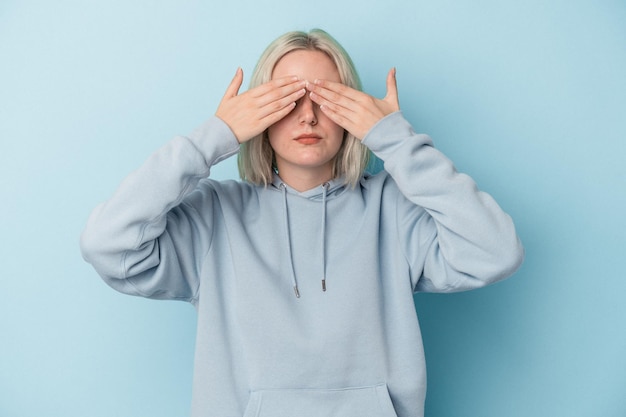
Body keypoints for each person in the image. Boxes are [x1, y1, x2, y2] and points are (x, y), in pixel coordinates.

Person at [80, 29, 524, 417]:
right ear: (260, 114)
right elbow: (107, 244)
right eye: (287, 99)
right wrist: (215, 136)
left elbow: (495, 251)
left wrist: (394, 138)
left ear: (354, 111)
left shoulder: (395, 209)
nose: (308, 116)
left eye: (326, 98)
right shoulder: (214, 216)